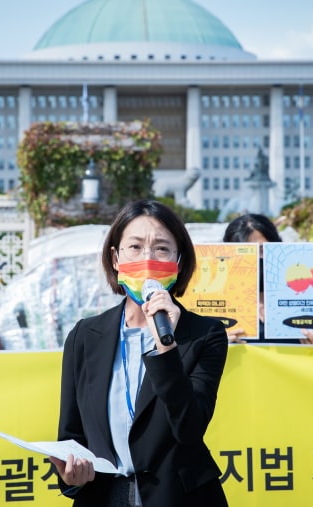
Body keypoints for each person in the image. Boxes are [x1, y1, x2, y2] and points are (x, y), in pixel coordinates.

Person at [50, 199, 229, 507]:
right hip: (103, 496)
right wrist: (71, 478)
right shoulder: (84, 336)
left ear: (179, 261)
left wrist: (167, 347)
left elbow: (190, 428)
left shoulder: (203, 335)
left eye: (161, 248)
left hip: (179, 497)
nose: (148, 259)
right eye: (134, 247)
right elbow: (72, 435)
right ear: (116, 258)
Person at [222, 213, 313, 345]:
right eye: (245, 252)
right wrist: (216, 343)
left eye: (261, 249)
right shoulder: (220, 302)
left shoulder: (301, 295)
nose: (253, 259)